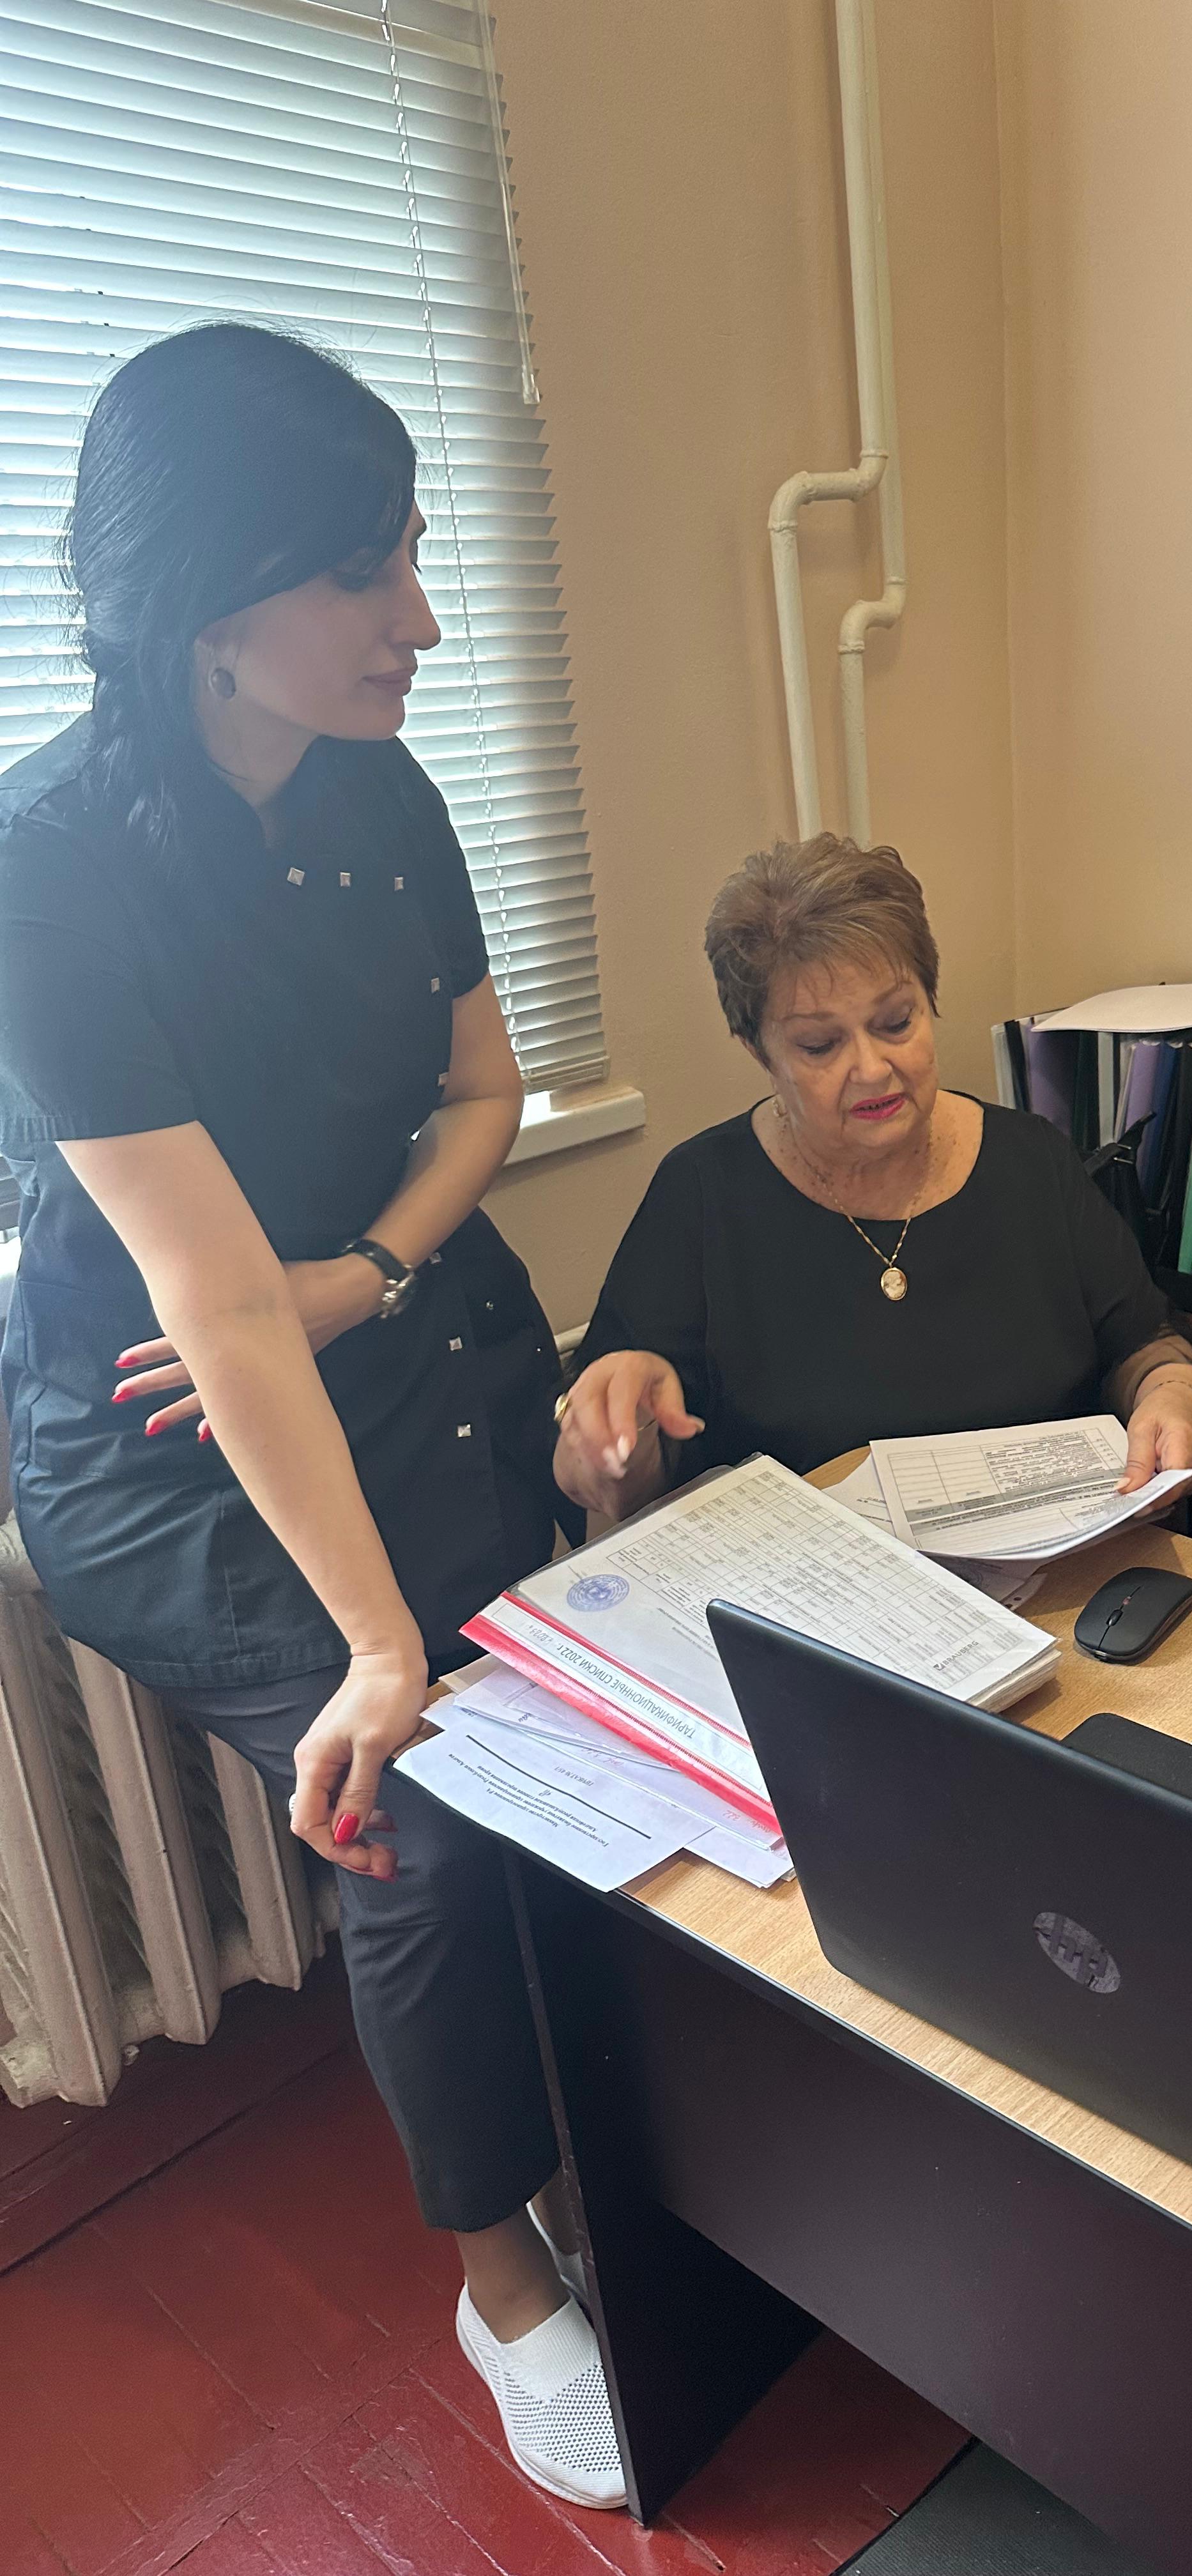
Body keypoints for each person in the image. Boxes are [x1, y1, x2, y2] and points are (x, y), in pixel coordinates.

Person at [0, 325, 626, 2508]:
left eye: (417, 557)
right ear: (208, 598)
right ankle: (504, 2285)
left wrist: (371, 1266)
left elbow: (487, 1094)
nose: (421, 621)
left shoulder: (388, 795)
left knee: (579, 1719)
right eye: (366, 572)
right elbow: (210, 1303)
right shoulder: (47, 866)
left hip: (397, 1329)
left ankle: (633, 2135)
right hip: (169, 1436)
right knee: (420, 1810)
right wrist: (375, 1646)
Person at [556, 833, 1192, 1519]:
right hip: (812, 1580)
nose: (872, 1069)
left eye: (896, 1022)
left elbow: (1151, 1346)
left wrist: (1174, 1397)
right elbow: (608, 1484)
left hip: (1056, 1569)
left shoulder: (1032, 1161)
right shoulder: (702, 1195)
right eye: (820, 1045)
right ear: (759, 1052)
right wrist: (613, 1443)